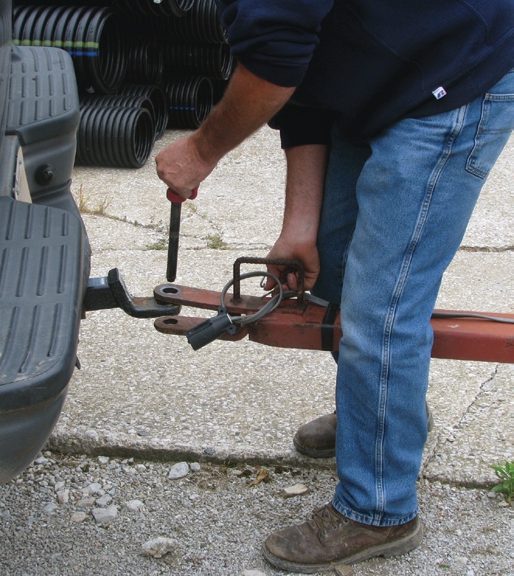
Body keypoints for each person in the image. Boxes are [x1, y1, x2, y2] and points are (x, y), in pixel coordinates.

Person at [156, 0, 514, 572]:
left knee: (382, 305)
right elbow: (303, 76)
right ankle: (381, 419)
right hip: (389, 70)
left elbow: (275, 61)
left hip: (454, 72)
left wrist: (200, 150)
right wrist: (301, 226)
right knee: (338, 256)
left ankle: (379, 509)